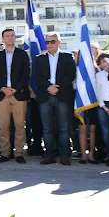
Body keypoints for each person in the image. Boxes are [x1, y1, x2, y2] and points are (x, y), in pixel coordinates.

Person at [34, 32, 76, 165]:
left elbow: (70, 75)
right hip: (45, 96)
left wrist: (58, 87)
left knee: (64, 127)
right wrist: (48, 87)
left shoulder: (67, 57)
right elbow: (37, 77)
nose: (50, 44)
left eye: (53, 41)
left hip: (62, 95)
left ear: (59, 42)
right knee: (47, 128)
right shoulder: (40, 58)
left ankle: (64, 155)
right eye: (47, 42)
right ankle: (49, 155)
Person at [0, 28, 30, 164]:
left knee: (20, 125)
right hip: (2, 96)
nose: (10, 38)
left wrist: (15, 89)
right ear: (2, 38)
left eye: (12, 35)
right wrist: (3, 88)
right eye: (7, 36)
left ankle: (19, 152)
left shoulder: (23, 54)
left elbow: (26, 74)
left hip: (18, 95)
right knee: (3, 126)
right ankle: (5, 153)